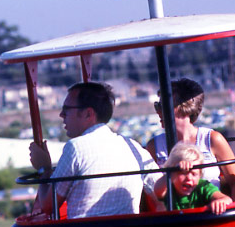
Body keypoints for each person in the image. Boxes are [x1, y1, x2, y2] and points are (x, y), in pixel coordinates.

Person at [29, 82, 160, 218]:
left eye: (67, 109)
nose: (62, 114)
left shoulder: (75, 148)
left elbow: (49, 206)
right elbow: (162, 188)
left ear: (88, 113)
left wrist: (44, 169)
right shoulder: (134, 147)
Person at [146, 78, 235, 200]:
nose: (158, 112)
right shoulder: (154, 147)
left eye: (163, 106)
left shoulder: (212, 139)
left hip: (211, 214)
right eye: (157, 106)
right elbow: (149, 190)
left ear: (185, 107)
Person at [154, 142, 232, 214]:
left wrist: (220, 201)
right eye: (183, 173)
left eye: (194, 174)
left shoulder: (203, 187)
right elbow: (158, 190)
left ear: (200, 175)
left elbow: (227, 199)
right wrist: (171, 172)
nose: (189, 178)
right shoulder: (169, 189)